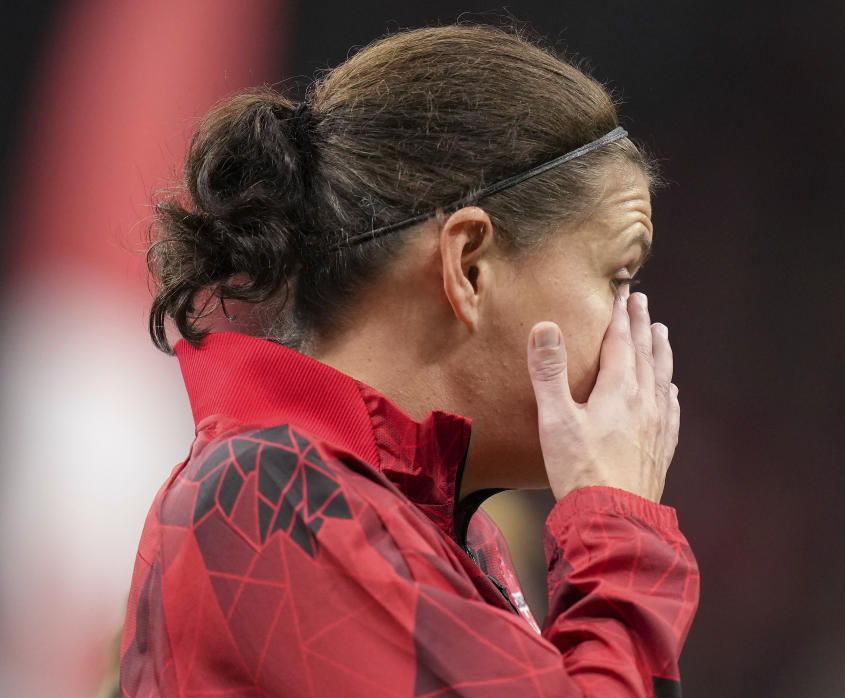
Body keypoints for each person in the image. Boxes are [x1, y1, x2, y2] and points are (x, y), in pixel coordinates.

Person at [120, 22, 700, 698]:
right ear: (470, 267)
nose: (633, 329)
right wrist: (617, 522)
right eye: (617, 275)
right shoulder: (267, 493)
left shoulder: (446, 530)